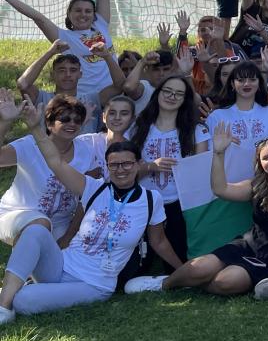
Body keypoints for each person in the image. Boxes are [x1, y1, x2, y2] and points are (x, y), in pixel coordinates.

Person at [0, 108, 180, 322]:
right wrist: (34, 127)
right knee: (36, 230)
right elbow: (55, 161)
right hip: (61, 265)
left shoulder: (151, 200)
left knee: (23, 300)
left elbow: (159, 242)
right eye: (114, 165)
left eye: (127, 163)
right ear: (107, 167)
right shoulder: (94, 188)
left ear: (138, 164)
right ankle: (3, 307)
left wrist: (181, 270)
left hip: (93, 284)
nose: (121, 169)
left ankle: (17, 293)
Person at [125, 123, 268, 299]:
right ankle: (162, 285)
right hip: (246, 246)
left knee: (225, 281)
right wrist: (219, 153)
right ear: (261, 164)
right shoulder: (257, 187)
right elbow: (220, 189)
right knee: (198, 268)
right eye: (265, 158)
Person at [0, 0, 116, 96]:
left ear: (94, 14)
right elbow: (38, 18)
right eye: (78, 10)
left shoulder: (101, 23)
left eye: (88, 11)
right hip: (86, 98)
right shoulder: (64, 37)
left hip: (114, 93)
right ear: (69, 14)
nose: (83, 14)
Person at [0, 92, 106, 245]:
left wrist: (68, 237)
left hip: (60, 224)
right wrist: (5, 122)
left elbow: (88, 197)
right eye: (65, 119)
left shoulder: (87, 150)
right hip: (17, 214)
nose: (72, 123)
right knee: (39, 228)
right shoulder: (29, 145)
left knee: (72, 252)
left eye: (77, 120)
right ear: (49, 124)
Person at [130, 76, 210, 267]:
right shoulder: (138, 127)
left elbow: (201, 171)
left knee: (181, 254)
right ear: (158, 93)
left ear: (185, 99)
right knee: (139, 263)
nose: (172, 96)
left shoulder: (196, 130)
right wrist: (150, 166)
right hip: (144, 201)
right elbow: (126, 170)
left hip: (180, 204)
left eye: (179, 94)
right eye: (167, 91)